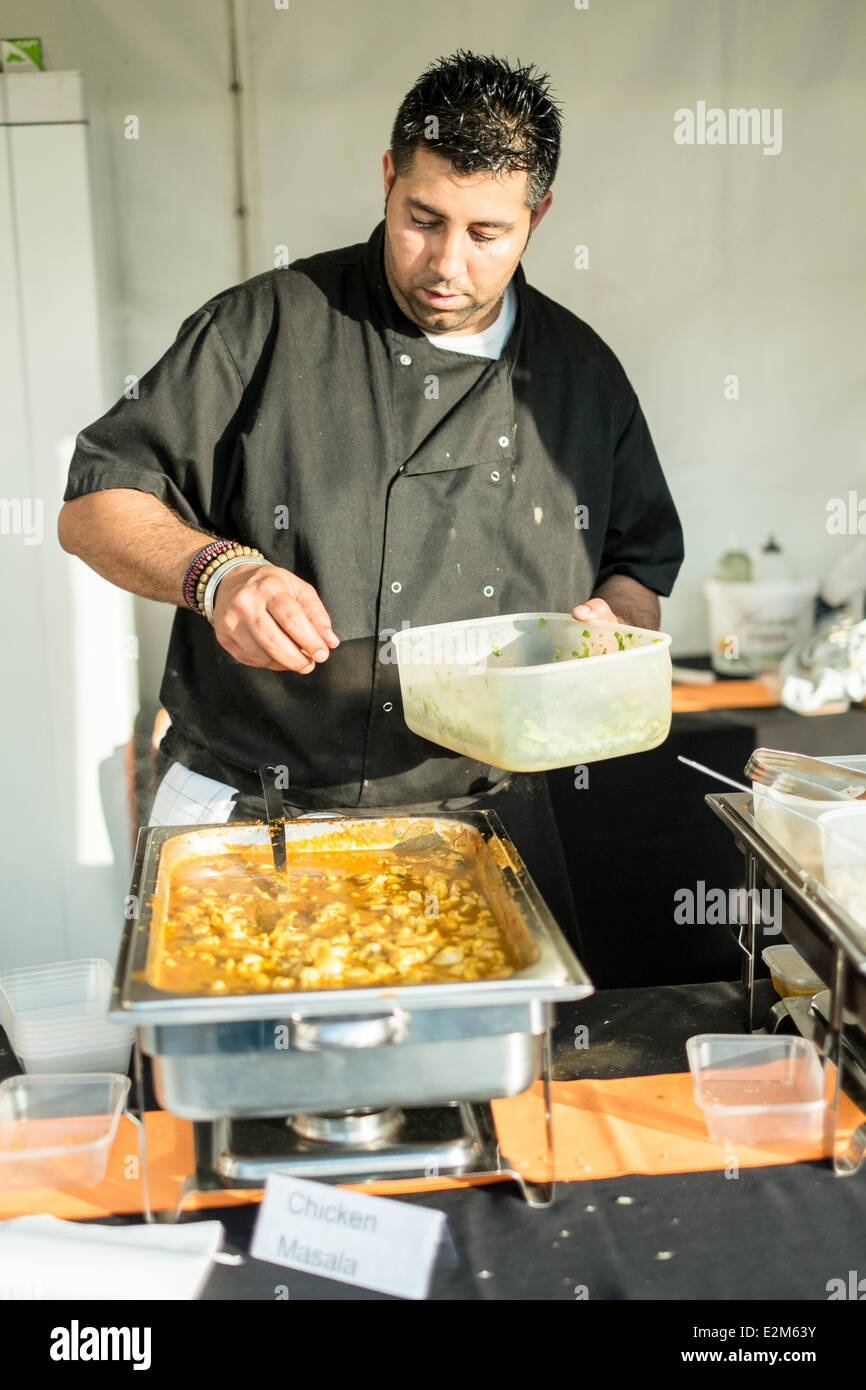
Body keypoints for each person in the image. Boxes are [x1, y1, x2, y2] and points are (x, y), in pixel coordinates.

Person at [58, 51, 684, 957]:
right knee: (239, 1089)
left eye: (487, 233)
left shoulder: (581, 377)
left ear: (538, 218)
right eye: (422, 219)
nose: (446, 263)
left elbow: (637, 567)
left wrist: (610, 629)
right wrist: (215, 573)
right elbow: (96, 501)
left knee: (489, 1093)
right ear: (388, 177)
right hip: (251, 817)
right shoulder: (265, 326)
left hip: (486, 830)